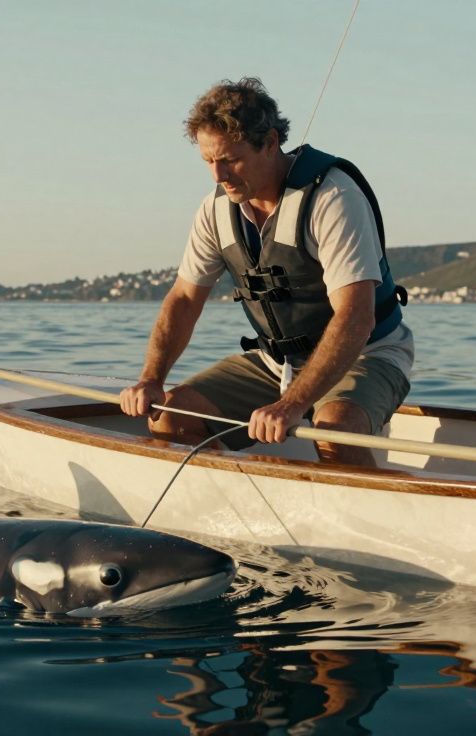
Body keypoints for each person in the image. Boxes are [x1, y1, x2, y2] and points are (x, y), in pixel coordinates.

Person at [118, 77, 413, 466]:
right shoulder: (215, 210)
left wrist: (292, 403)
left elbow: (356, 317)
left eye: (231, 159)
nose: (218, 176)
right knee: (171, 420)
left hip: (367, 353)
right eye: (209, 161)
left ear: (271, 142)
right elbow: (185, 299)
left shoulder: (333, 198)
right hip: (277, 361)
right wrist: (152, 378)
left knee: (335, 435)